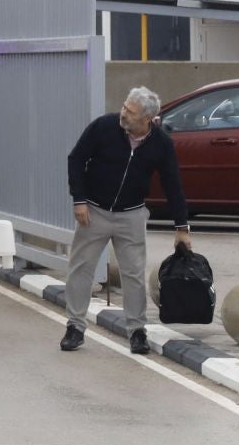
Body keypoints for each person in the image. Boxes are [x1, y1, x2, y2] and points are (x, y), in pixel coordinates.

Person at [61, 86, 191, 355]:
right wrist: (79, 200)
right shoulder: (104, 127)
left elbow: (173, 185)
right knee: (81, 268)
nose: (123, 114)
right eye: (124, 107)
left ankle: (137, 331)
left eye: (130, 112)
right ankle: (75, 327)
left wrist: (182, 227)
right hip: (93, 211)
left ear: (147, 118)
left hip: (132, 215)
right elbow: (76, 159)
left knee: (133, 274)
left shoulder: (161, 144)